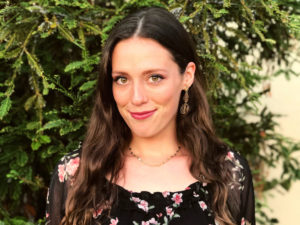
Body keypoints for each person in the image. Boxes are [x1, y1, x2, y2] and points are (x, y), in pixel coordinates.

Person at [45, 6, 255, 225]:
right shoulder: (75, 175)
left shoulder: (228, 173)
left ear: (187, 76)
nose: (136, 98)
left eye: (154, 77)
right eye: (122, 79)